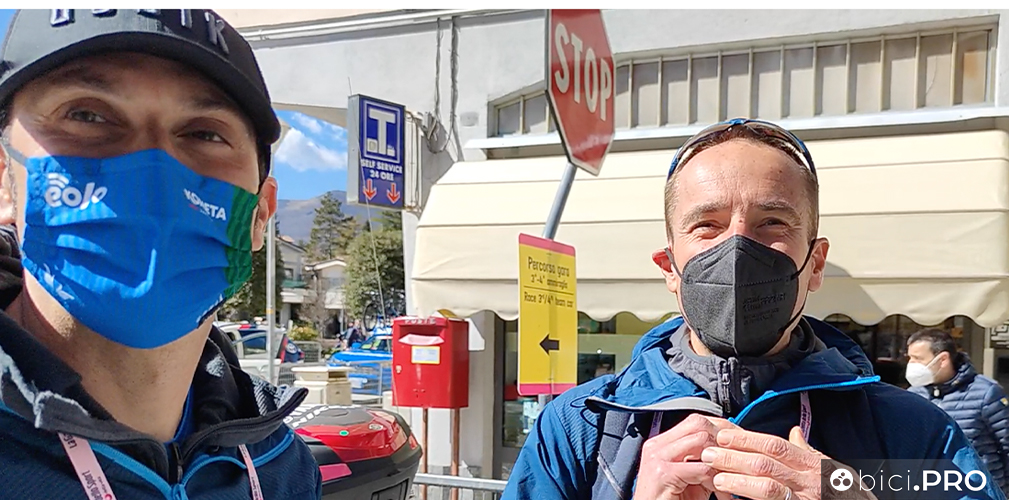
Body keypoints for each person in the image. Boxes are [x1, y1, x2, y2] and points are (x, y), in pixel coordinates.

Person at [502, 118, 1004, 500]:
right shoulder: (581, 426)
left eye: (772, 223)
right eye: (707, 225)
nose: (738, 247)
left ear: (815, 263)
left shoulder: (914, 431)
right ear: (669, 268)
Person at [0, 9, 321, 499]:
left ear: (260, 214)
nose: (153, 171)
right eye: (86, 115)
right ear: (4, 181)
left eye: (204, 133)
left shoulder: (283, 468)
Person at [907, 328, 1009, 490]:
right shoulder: (913, 394)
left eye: (918, 358)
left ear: (943, 359)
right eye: (910, 358)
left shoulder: (985, 393)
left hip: (978, 490)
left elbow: (1006, 444)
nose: (911, 364)